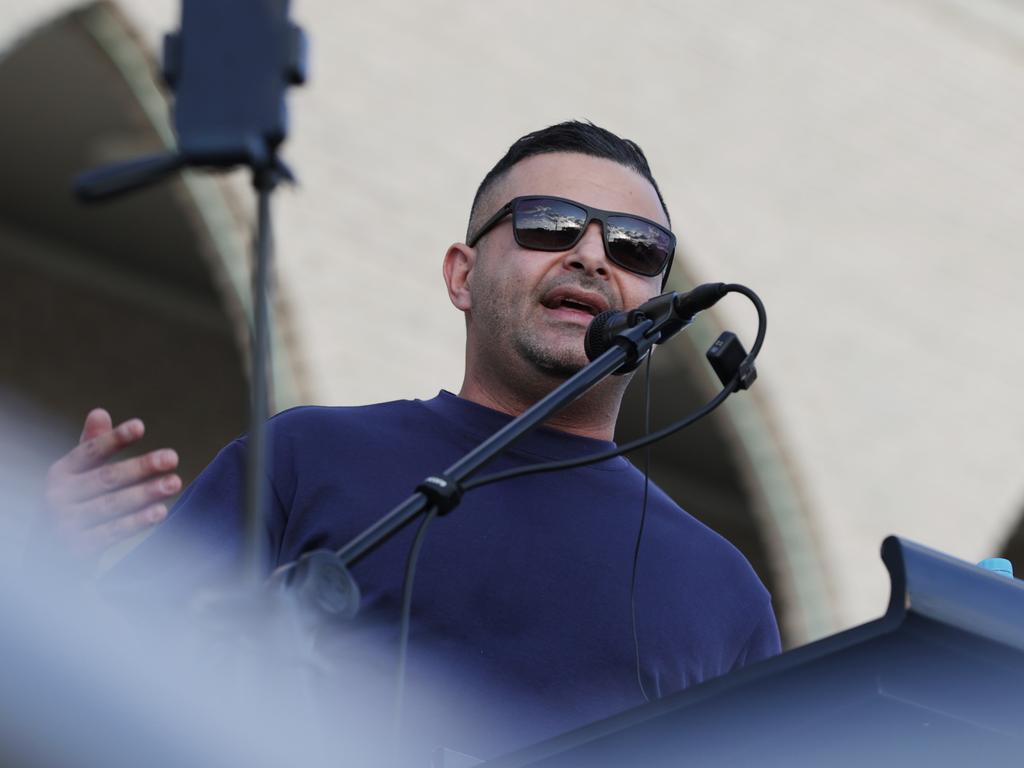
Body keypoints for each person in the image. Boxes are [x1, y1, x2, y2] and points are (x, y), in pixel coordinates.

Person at [42, 121, 780, 757]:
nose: (592, 256)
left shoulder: (726, 596)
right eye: (549, 225)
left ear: (661, 306)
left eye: (634, 248)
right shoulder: (306, 460)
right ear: (462, 276)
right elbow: (109, 706)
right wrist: (51, 560)